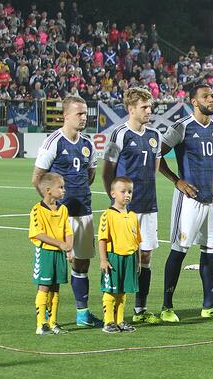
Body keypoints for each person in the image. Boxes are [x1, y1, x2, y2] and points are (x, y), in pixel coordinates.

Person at [32, 95, 103, 327]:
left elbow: (89, 176)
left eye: (85, 113)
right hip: (59, 217)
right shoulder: (54, 141)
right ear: (65, 115)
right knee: (54, 268)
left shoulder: (88, 144)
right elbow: (37, 179)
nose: (84, 118)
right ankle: (49, 320)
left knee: (82, 263)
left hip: (83, 210)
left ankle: (82, 314)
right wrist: (52, 209)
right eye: (79, 114)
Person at [158, 83, 213, 322]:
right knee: (179, 250)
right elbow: (158, 158)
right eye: (206, 97)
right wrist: (177, 182)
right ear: (194, 102)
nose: (212, 100)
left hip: (212, 201)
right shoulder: (182, 127)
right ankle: (167, 305)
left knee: (210, 252)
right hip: (189, 200)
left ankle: (209, 304)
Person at [101, 87, 162, 324]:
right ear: (131, 109)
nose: (149, 111)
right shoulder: (118, 134)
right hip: (125, 210)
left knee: (145, 256)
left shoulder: (155, 135)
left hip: (149, 204)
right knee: (123, 257)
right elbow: (107, 172)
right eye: (144, 107)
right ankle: (114, 313)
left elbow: (154, 170)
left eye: (150, 107)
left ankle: (140, 309)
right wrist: (115, 202)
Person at [29, 173, 73, 335]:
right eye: (60, 187)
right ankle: (41, 324)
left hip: (59, 254)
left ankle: (53, 322)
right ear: (48, 190)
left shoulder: (63, 209)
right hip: (46, 253)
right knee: (44, 287)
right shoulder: (37, 210)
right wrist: (60, 244)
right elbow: (38, 233)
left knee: (56, 288)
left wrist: (69, 249)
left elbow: (68, 231)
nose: (64, 190)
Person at [98, 177, 141, 333]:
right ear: (113, 193)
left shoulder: (133, 216)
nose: (127, 195)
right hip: (114, 258)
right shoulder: (107, 215)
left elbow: (137, 241)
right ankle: (108, 321)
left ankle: (120, 320)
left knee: (122, 291)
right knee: (110, 290)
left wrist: (138, 261)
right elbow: (102, 239)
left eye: (129, 191)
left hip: (129, 258)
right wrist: (103, 259)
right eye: (123, 191)